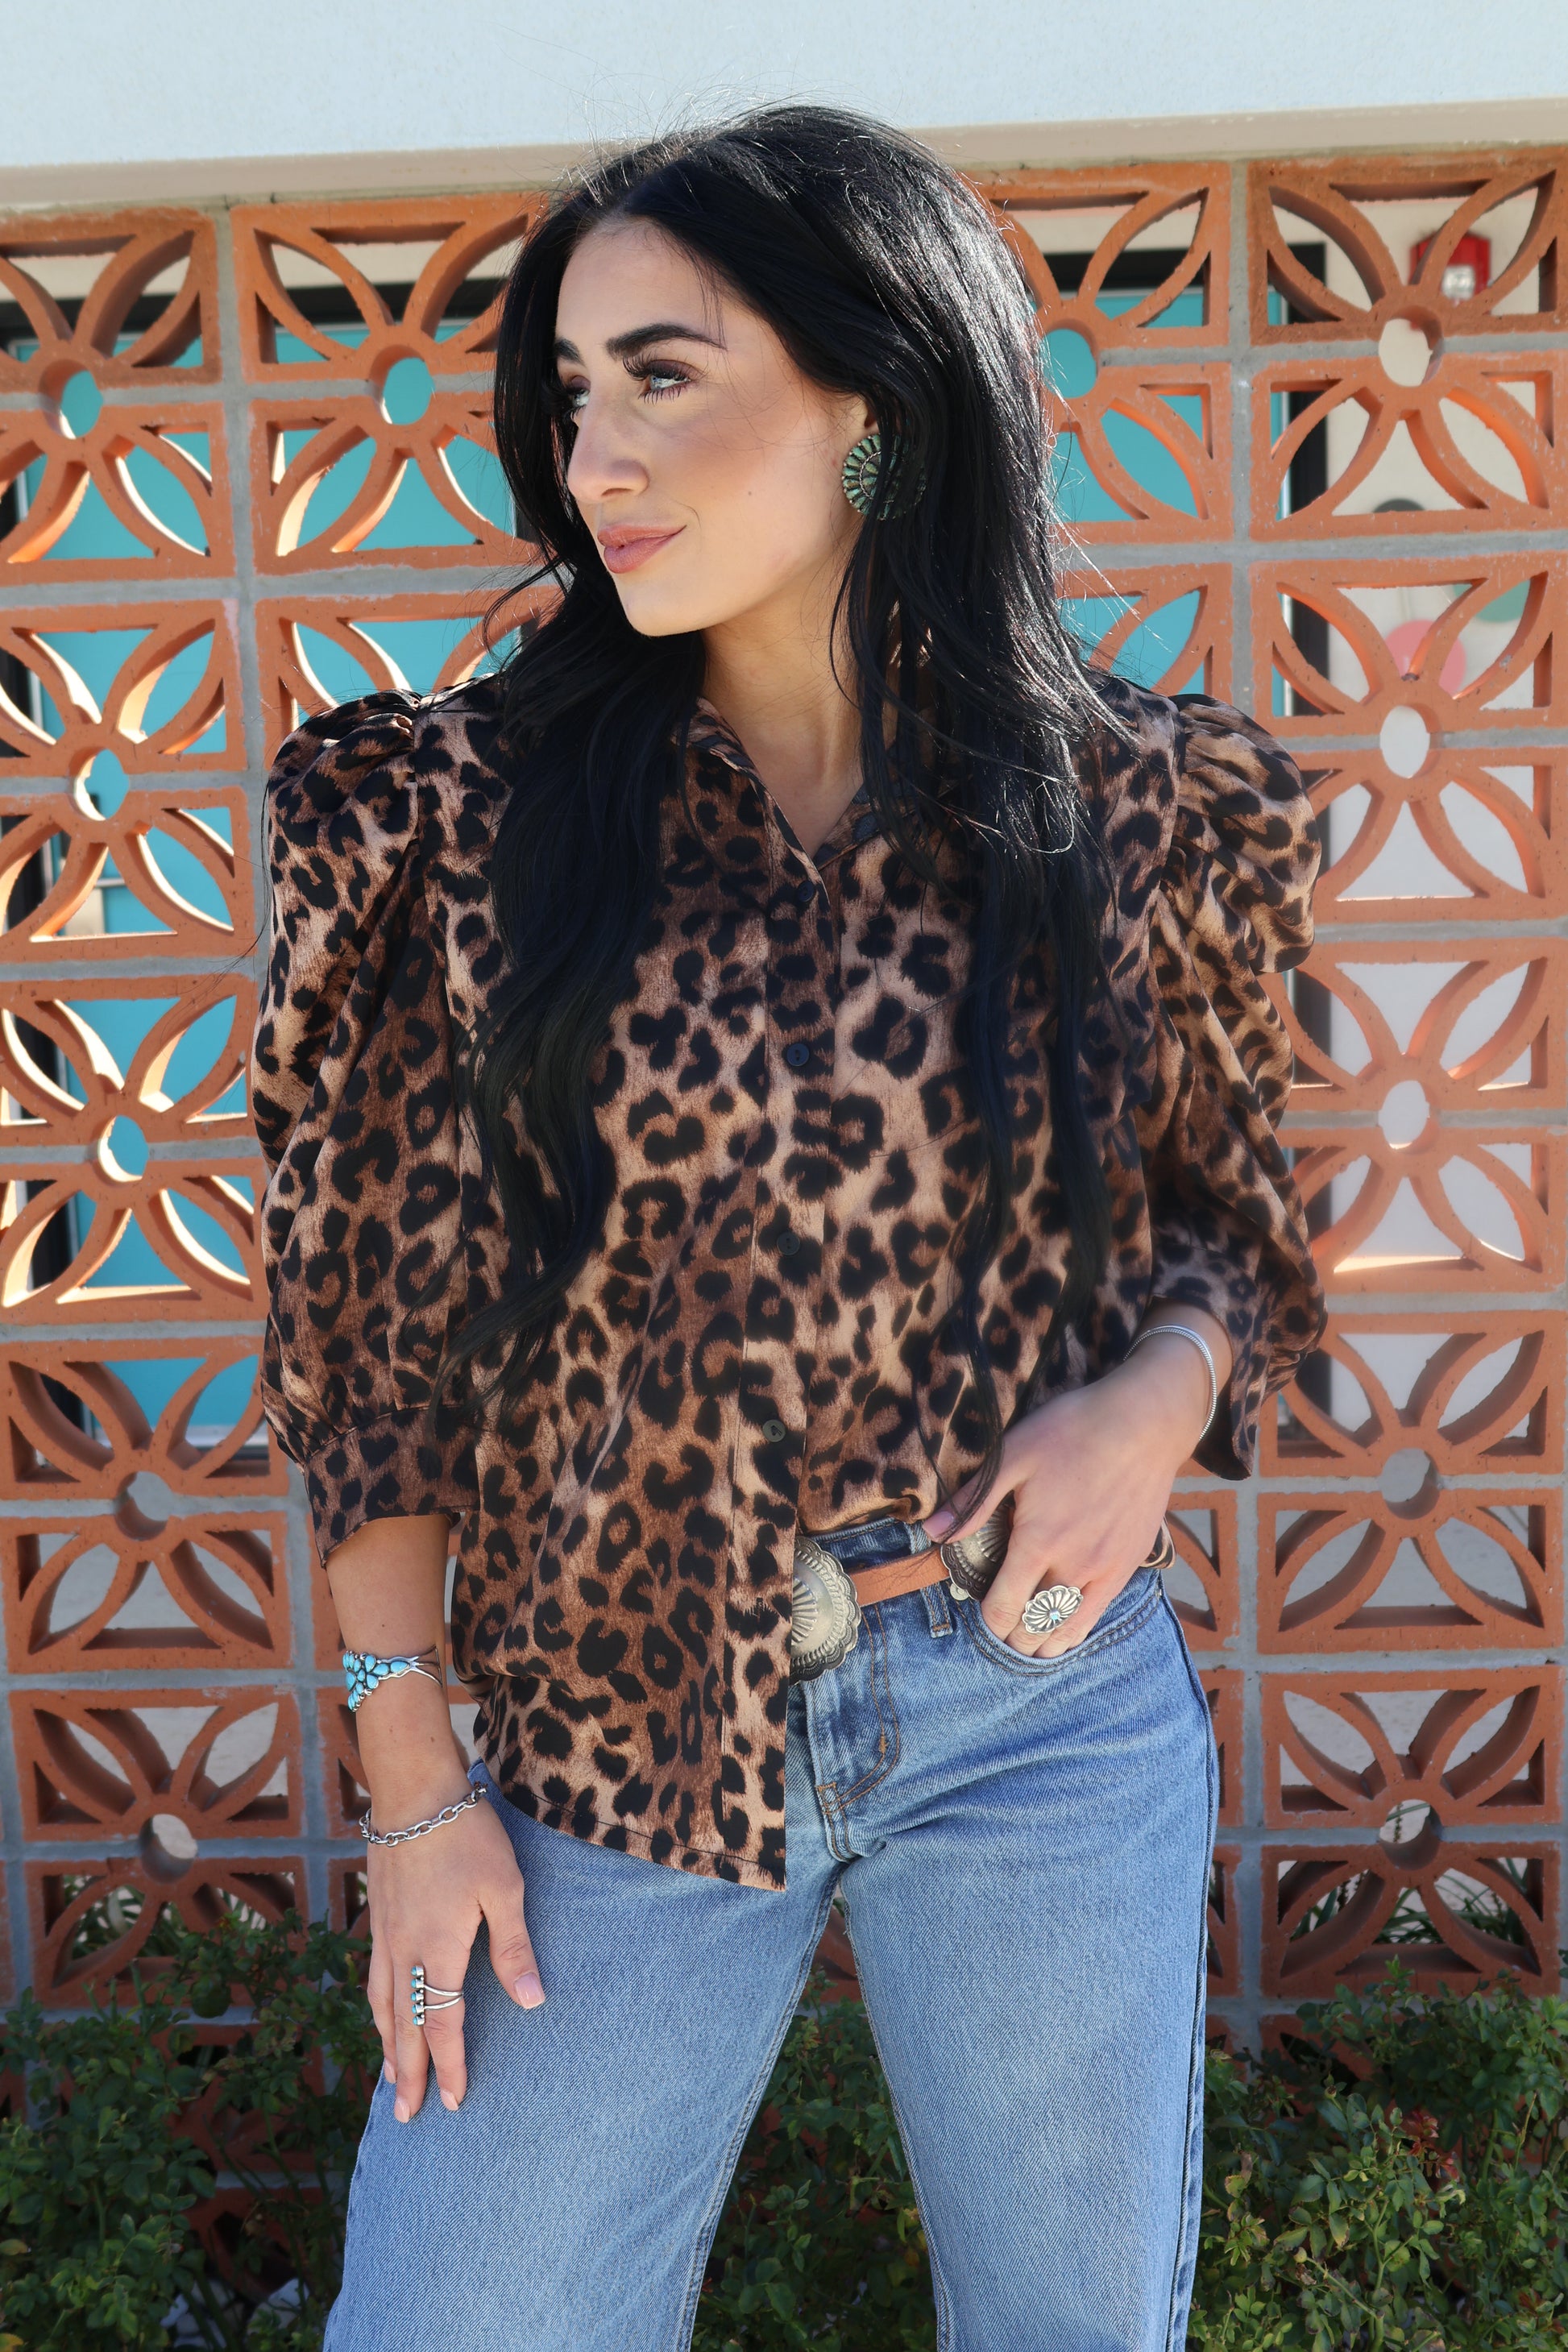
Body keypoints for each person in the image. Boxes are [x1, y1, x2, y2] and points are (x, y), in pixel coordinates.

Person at [252, 105, 1325, 2352]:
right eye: (572, 394)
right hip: (605, 1722)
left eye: (664, 375)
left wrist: (1152, 1405)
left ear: (873, 402)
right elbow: (371, 1350)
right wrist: (413, 1783)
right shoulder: (453, 818)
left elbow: (1234, 1217)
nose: (596, 456)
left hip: (1036, 1700)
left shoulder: (1138, 806)